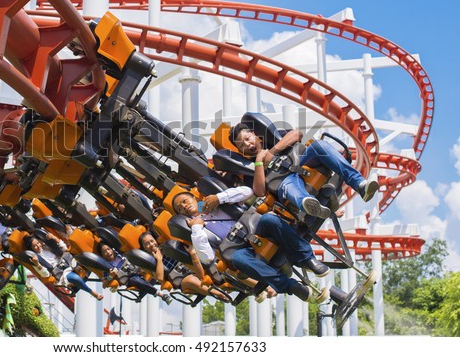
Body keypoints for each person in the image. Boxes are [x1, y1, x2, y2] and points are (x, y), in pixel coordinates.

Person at [173, 189, 327, 301]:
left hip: (255, 229)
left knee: (269, 219)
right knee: (238, 258)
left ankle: (308, 259)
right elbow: (207, 258)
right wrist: (196, 227)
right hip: (239, 248)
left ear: (194, 197)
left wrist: (219, 198)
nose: (184, 206)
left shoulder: (214, 202)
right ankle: (290, 286)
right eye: (180, 208)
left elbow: (247, 191)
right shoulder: (196, 231)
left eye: (185, 201)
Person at [229, 122, 378, 219]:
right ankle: (312, 205)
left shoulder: (272, 136)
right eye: (242, 145)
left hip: (302, 162)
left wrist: (272, 152)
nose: (248, 144)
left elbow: (297, 134)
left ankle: (360, 185)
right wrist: (259, 163)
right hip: (286, 181)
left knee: (319, 145)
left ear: (254, 134)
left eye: (248, 138)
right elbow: (260, 191)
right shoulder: (249, 166)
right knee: (288, 185)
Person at [138, 231, 229, 302]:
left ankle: (228, 281)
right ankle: (219, 294)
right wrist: (159, 259)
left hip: (192, 268)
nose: (151, 245)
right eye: (147, 244)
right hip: (180, 279)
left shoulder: (166, 247)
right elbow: (160, 278)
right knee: (191, 280)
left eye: (151, 241)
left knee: (209, 262)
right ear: (144, 248)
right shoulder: (151, 262)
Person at [23, 234, 103, 300]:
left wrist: (55, 238)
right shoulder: (36, 259)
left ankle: (78, 288)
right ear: (32, 249)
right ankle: (92, 292)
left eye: (37, 243)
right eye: (34, 246)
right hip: (61, 272)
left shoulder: (47, 246)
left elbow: (64, 249)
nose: (38, 246)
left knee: (88, 263)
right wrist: (37, 264)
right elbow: (45, 274)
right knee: (75, 278)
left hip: (69, 261)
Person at [98, 242, 172, 304]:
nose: (108, 252)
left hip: (138, 271)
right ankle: (161, 295)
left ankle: (142, 294)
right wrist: (111, 276)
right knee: (135, 279)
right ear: (102, 255)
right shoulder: (106, 267)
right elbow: (104, 285)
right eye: (104, 251)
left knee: (152, 276)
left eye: (108, 249)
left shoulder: (119, 254)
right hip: (130, 279)